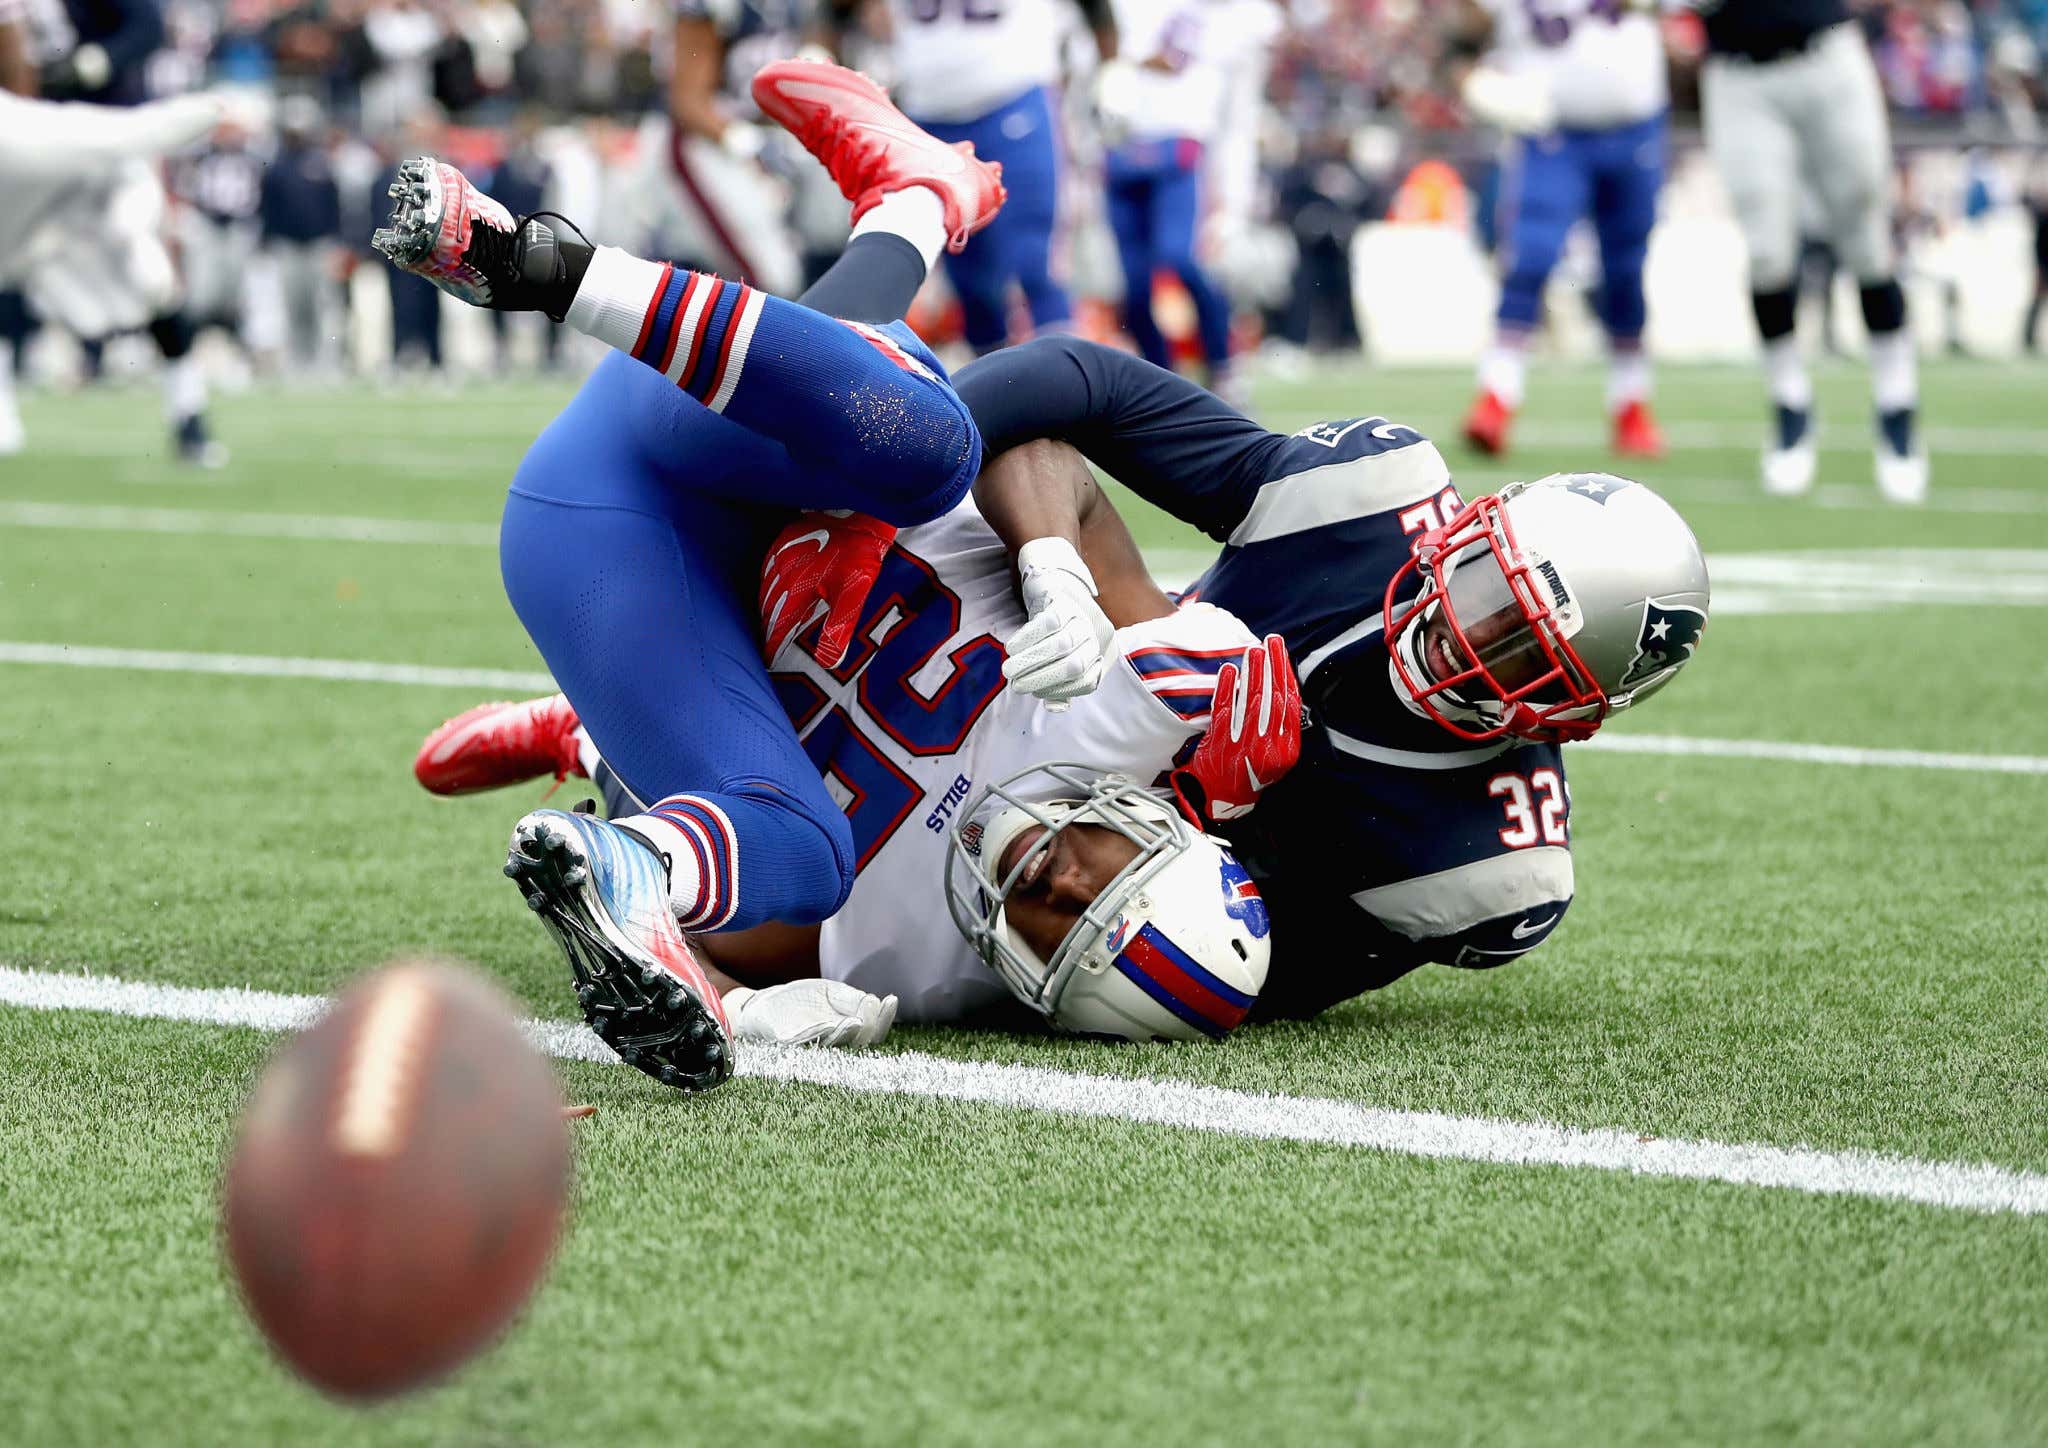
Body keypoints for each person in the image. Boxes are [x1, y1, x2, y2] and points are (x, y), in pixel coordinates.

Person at [378, 61, 1285, 1087]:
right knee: (932, 445)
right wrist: (1053, 568)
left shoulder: (899, 959)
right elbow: (1041, 454)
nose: (1060, 880)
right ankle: (536, 263)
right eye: (1105, 881)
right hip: (732, 443)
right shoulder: (1143, 707)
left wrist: (736, 1004)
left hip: (605, 536)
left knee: (801, 849)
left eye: (1064, 931)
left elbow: (693, 919)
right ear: (1148, 826)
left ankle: (910, 201)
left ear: (1033, 993)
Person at [1677, 0, 1927, 502]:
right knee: (1768, 252)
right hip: (1739, 74)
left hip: (1826, 54)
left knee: (1867, 239)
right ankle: (1790, 406)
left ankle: (1897, 404)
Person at [1447, 0, 1670, 461]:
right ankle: (1497, 395)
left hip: (1635, 127)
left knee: (1626, 269)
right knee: (1529, 256)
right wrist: (1470, 81)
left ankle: (1631, 401)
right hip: (1553, 133)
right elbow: (1464, 35)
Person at [869, 0, 1117, 354]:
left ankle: (1067, 394)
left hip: (1014, 99)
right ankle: (998, 394)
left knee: (1036, 263)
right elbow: (836, 11)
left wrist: (1112, 66)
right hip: (929, 116)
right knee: (970, 279)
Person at [1093, 0, 1240, 399]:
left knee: (1179, 258)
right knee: (1136, 284)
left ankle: (1224, 364)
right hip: (1118, 151)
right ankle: (1162, 379)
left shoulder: (1203, 14)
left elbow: (1180, 61)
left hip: (1176, 145)